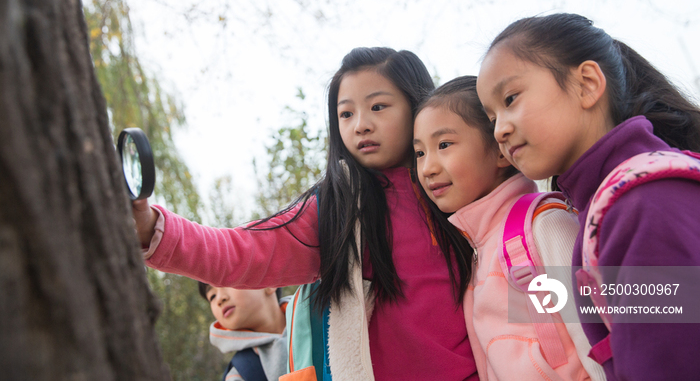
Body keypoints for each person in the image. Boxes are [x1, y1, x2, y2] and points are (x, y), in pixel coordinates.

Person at [133, 47, 478, 380]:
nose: (361, 125)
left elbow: (528, 286)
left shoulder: (474, 189)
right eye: (346, 113)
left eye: (378, 106)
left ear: (416, 105)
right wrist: (152, 230)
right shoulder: (338, 211)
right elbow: (244, 251)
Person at [476, 12, 700, 381]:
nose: (500, 130)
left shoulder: (643, 206)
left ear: (586, 84)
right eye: (491, 118)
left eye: (511, 98)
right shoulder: (609, 205)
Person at [413, 76, 604, 380]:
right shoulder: (477, 249)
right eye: (420, 152)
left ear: (502, 151)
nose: (427, 168)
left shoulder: (544, 224)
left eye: (444, 145)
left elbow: (593, 338)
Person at [199, 283, 289, 381]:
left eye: (228, 281)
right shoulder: (239, 375)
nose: (220, 298)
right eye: (212, 296)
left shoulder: (307, 313)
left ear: (269, 283)